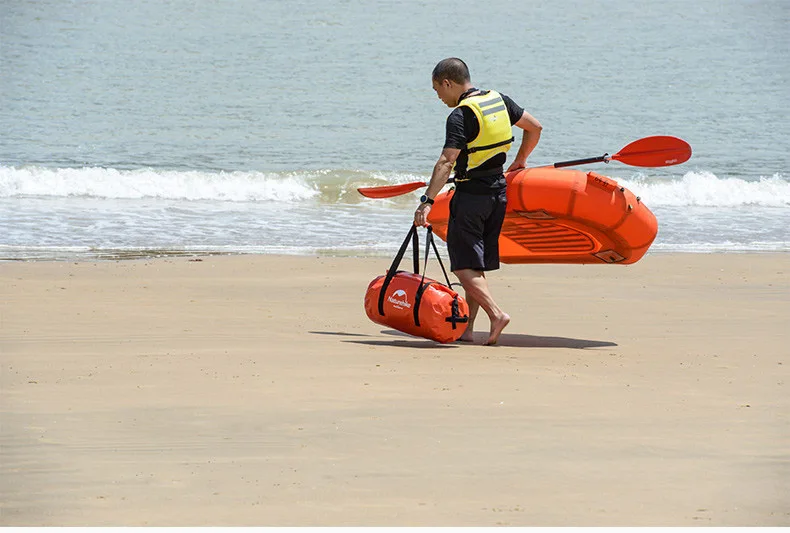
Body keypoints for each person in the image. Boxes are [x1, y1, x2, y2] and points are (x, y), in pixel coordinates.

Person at [414, 57, 542, 345]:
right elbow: (535, 128)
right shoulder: (499, 101)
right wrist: (520, 161)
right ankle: (468, 329)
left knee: (461, 264)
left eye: (437, 90)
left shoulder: (460, 115)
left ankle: (496, 314)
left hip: (471, 197)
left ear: (447, 83)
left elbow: (447, 161)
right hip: (498, 194)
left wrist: (427, 201)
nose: (438, 96)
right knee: (475, 265)